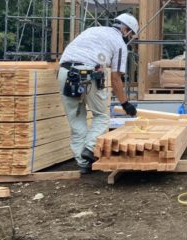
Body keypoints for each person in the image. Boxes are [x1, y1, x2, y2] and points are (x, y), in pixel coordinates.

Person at [58, 13, 140, 174]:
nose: (129, 38)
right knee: (101, 116)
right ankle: (90, 148)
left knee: (76, 117)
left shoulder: (92, 30)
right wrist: (125, 103)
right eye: (130, 35)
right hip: (90, 74)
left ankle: (83, 164)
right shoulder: (119, 44)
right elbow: (115, 77)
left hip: (66, 72)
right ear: (125, 30)